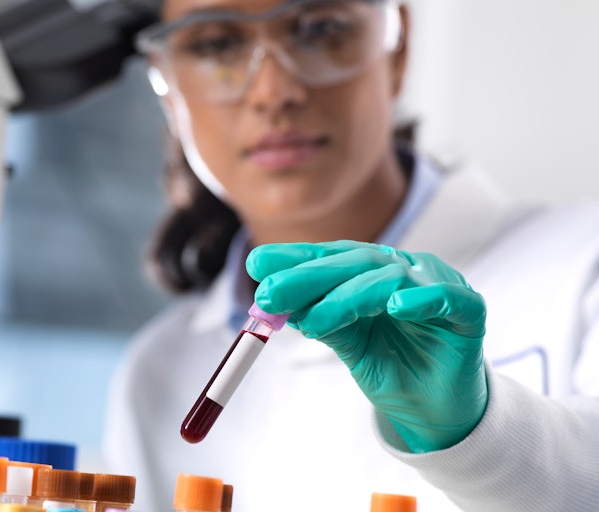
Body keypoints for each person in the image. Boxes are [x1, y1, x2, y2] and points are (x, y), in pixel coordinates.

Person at [102, 0, 599, 510]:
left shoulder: (585, 267)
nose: (275, 91)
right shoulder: (155, 373)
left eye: (320, 29)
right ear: (165, 81)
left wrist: (485, 441)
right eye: (215, 44)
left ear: (397, 45)